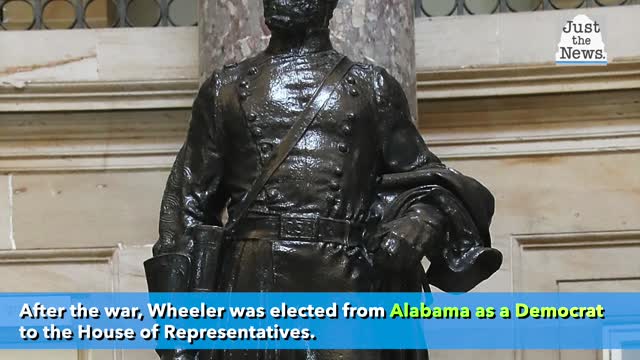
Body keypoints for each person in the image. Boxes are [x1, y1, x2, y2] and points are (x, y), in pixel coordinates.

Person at [147, 0, 502, 359]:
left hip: (348, 286)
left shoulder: (371, 87)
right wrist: (176, 332)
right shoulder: (224, 90)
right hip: (252, 286)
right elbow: (185, 207)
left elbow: (426, 181)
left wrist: (418, 223)